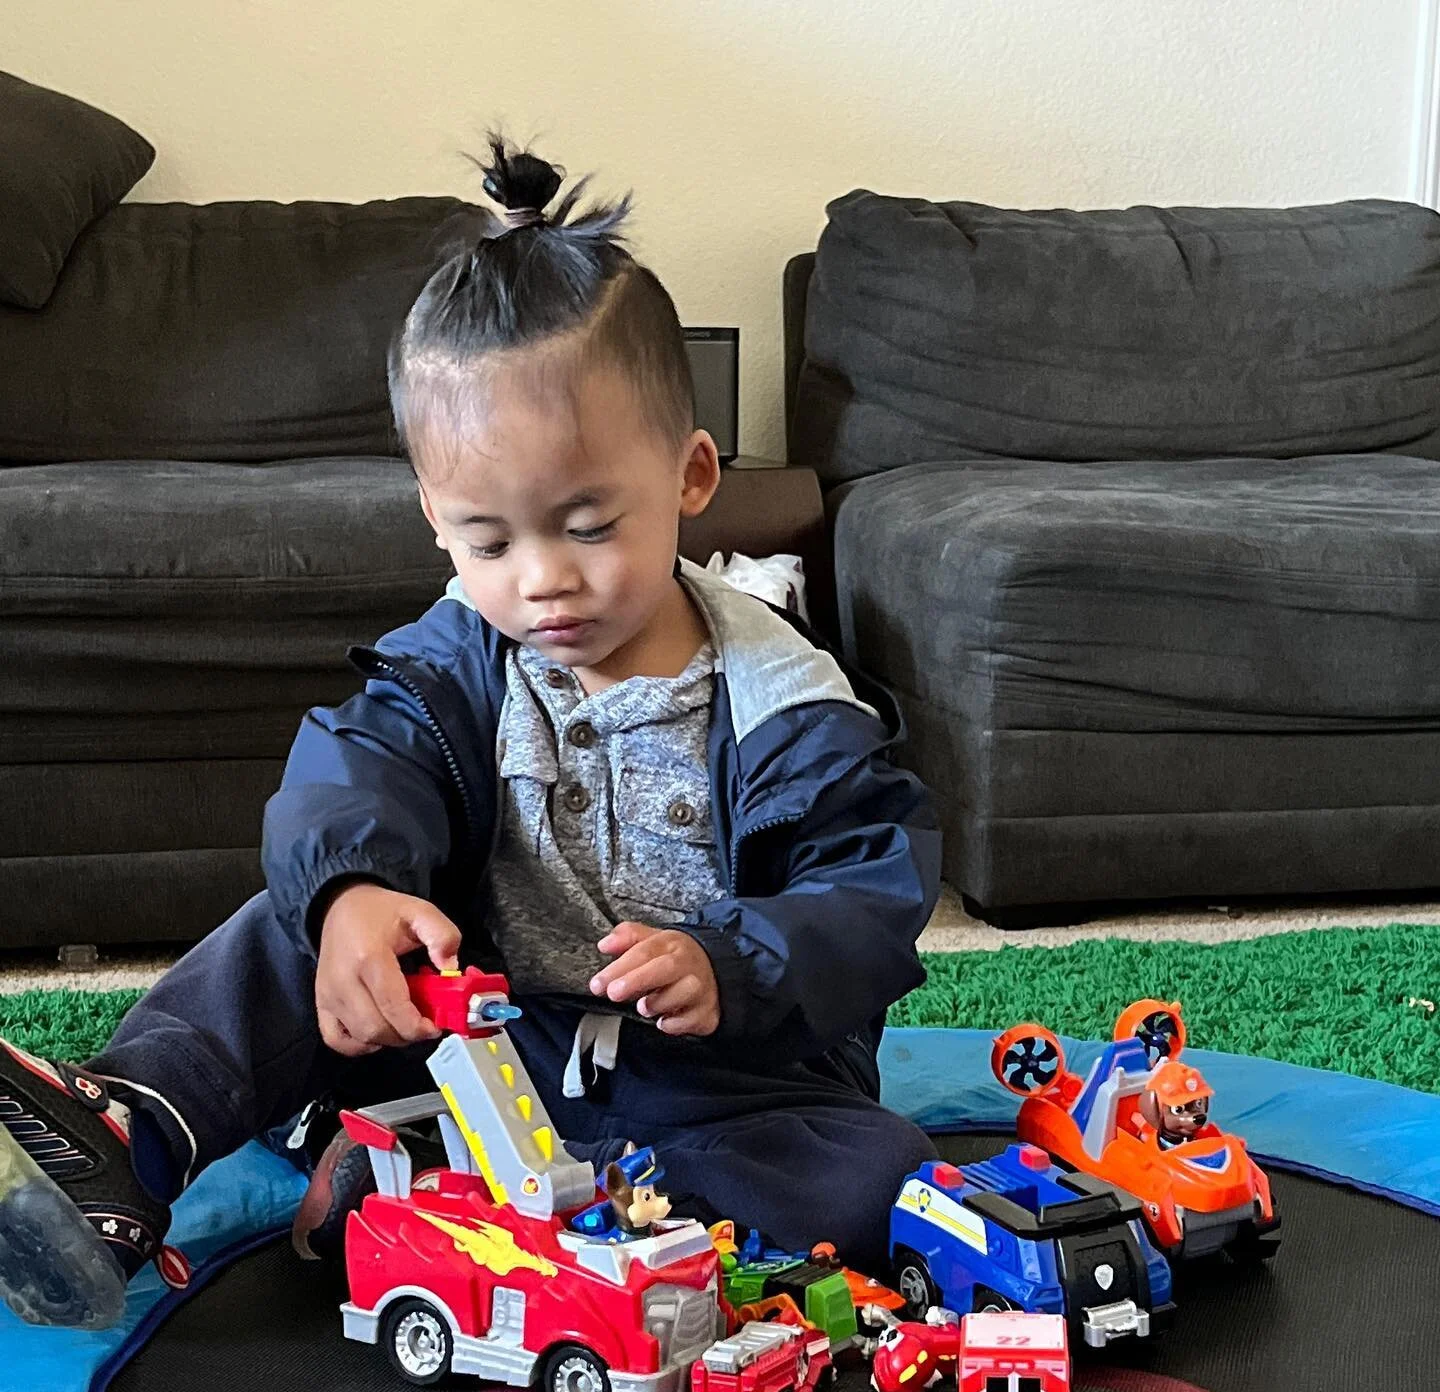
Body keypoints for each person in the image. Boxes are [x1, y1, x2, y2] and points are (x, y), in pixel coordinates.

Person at [0, 136, 941, 1330]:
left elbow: (872, 887)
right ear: (436, 523)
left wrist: (736, 961)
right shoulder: (457, 657)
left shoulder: (785, 701)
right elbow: (357, 768)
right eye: (489, 543)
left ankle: (441, 1190)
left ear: (694, 476)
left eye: (590, 524)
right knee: (300, 926)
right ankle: (135, 1135)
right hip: (487, 1033)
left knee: (886, 1187)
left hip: (717, 1085)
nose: (543, 581)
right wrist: (349, 897)